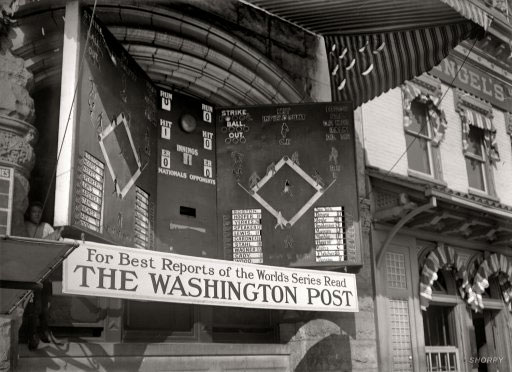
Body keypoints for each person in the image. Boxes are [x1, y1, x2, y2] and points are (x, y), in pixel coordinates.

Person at [23, 201, 63, 350]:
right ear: (29, 213)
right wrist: (51, 237)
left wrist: (56, 235)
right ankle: (31, 335)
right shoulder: (24, 225)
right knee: (34, 307)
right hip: (31, 273)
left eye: (39, 212)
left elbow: (58, 240)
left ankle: (44, 331)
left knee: (46, 306)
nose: (37, 214)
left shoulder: (46, 227)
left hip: (47, 273)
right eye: (34, 212)